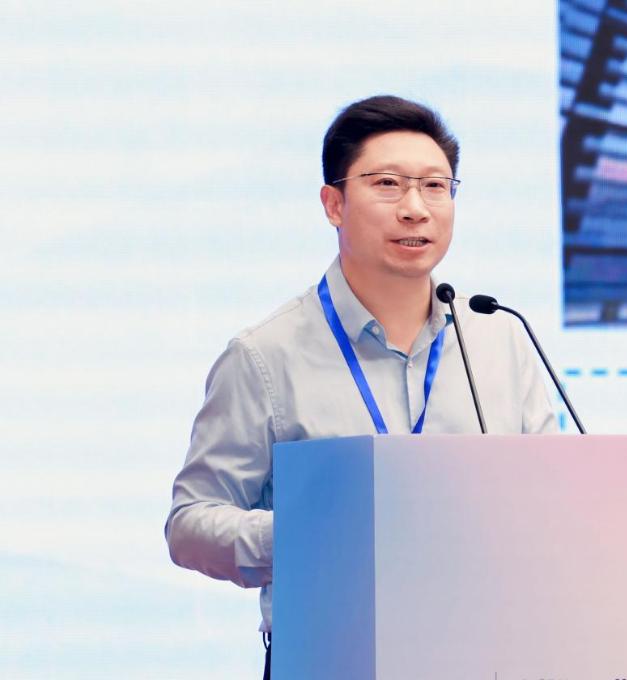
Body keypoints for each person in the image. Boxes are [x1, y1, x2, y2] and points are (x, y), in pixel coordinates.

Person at [164, 95, 556, 678]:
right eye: (388, 184)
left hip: (483, 656)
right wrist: (314, 535)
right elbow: (190, 525)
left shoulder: (501, 341)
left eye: (435, 187)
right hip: (331, 657)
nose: (415, 209)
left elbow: (552, 501)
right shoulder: (266, 354)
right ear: (334, 204)